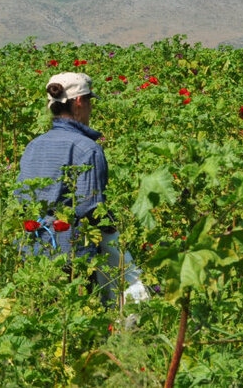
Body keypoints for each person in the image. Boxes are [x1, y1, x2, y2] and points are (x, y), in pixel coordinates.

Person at [14, 71, 148, 304]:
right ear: (78, 102)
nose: (90, 109)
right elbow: (89, 207)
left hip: (32, 247)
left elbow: (20, 197)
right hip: (73, 251)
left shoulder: (33, 145)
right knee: (81, 311)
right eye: (89, 102)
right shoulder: (87, 148)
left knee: (43, 310)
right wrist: (114, 231)